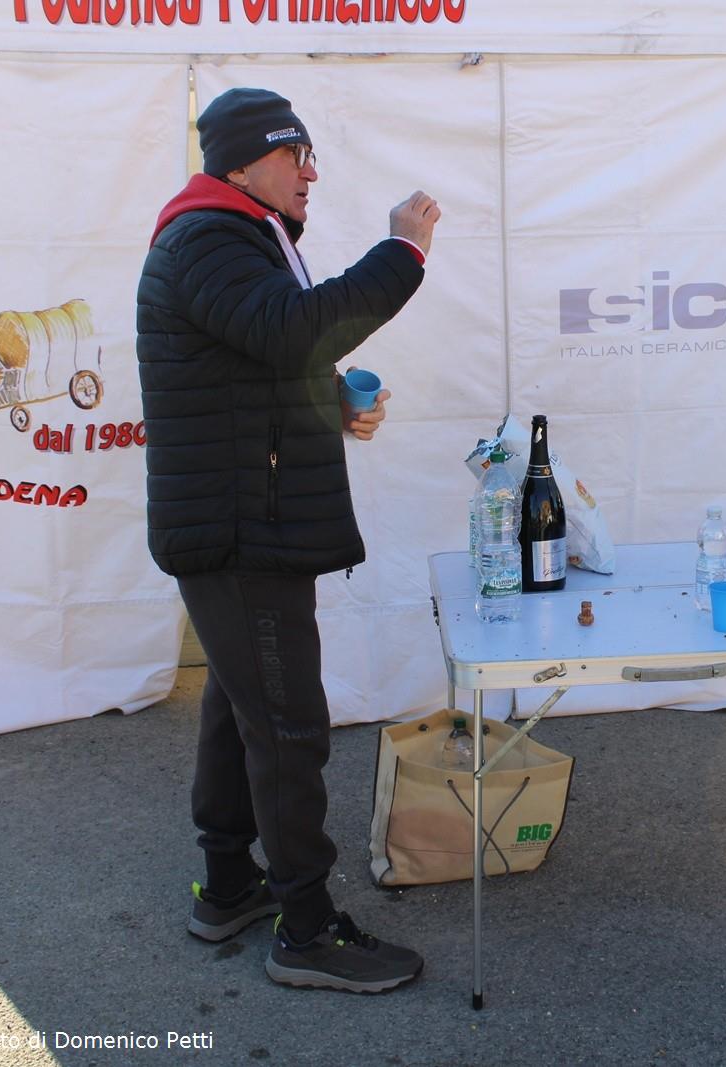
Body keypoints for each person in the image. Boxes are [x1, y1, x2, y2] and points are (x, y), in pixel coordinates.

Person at [136, 87, 440, 994]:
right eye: (292, 154)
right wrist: (402, 252)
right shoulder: (208, 237)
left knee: (242, 709)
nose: (310, 171)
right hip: (241, 530)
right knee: (287, 726)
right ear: (240, 162)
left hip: (242, 520)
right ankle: (306, 931)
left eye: (310, 154)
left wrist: (330, 398)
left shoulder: (237, 235)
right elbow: (288, 328)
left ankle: (229, 887)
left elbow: (263, 357)